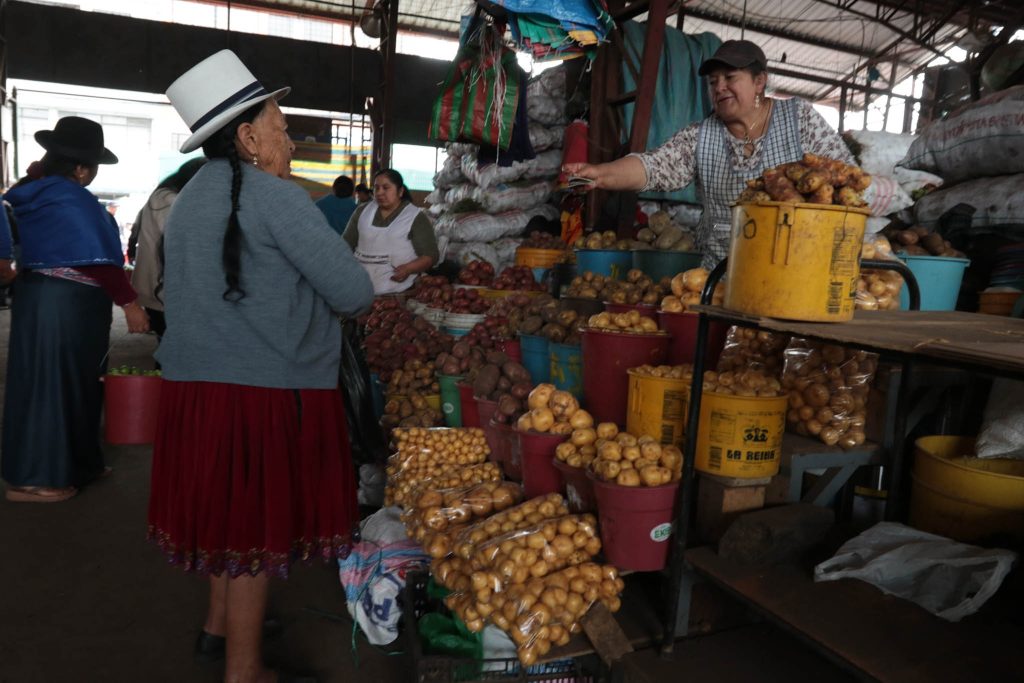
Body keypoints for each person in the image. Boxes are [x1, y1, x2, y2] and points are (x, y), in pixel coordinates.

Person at [148, 50, 373, 682]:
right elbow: (353, 294)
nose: (289, 138)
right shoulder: (279, 199)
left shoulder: (189, 199)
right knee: (252, 523)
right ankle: (244, 672)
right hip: (259, 391)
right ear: (247, 137)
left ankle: (218, 630)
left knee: (228, 514)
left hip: (196, 389)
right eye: (280, 124)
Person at [563, 40, 855, 270]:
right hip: (719, 274)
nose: (719, 87)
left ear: (759, 81)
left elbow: (845, 177)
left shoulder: (798, 118)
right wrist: (601, 174)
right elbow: (654, 166)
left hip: (793, 268)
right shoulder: (701, 135)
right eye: (713, 82)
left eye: (730, 77)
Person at [2, 116, 149, 504]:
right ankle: (38, 477)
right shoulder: (70, 198)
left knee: (69, 383)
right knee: (57, 386)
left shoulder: (36, 191)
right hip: (64, 305)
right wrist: (130, 303)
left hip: (45, 299)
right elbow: (97, 258)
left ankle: (80, 463)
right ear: (82, 168)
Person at [130, 157, 206, 339]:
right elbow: (184, 242)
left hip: (160, 291)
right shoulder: (168, 201)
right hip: (163, 291)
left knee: (169, 346)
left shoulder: (162, 198)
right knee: (173, 350)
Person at [342, 168, 439, 295]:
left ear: (400, 191)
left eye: (386, 188)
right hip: (359, 289)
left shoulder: (414, 217)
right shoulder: (362, 212)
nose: (380, 193)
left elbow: (430, 255)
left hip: (397, 292)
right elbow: (345, 244)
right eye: (376, 188)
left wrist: (408, 269)